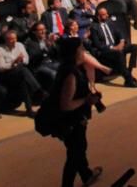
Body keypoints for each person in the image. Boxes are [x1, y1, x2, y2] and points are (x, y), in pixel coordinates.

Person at [54, 38, 104, 187]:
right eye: (81, 49)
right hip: (71, 120)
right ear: (74, 52)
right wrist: (87, 101)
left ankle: (86, 175)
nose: (84, 51)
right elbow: (66, 105)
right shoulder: (70, 74)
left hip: (74, 119)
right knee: (75, 153)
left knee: (78, 149)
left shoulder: (71, 68)